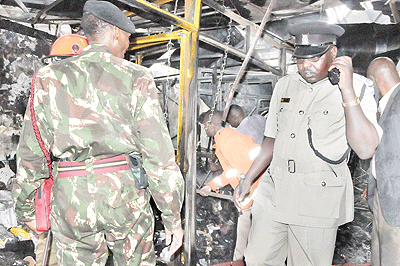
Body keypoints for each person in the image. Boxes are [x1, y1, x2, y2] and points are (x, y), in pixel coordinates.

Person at [12, 1, 184, 265]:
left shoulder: (47, 78)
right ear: (115, 32)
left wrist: (25, 207)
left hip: (71, 199)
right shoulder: (137, 76)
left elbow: (31, 152)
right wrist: (172, 217)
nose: (128, 45)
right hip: (125, 198)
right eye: (127, 38)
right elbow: (158, 157)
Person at [233, 21, 380, 266]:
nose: (306, 66)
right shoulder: (285, 85)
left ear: (333, 53)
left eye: (314, 58)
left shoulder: (359, 88)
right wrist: (248, 179)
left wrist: (346, 91)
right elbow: (272, 139)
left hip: (316, 197)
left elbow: (365, 148)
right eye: (300, 59)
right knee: (257, 259)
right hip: (275, 191)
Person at [34, 33, 89, 266]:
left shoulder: (47, 93)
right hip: (90, 190)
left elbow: (35, 147)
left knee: (52, 249)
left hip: (63, 184)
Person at [199, 109, 262, 261]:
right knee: (245, 238)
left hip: (256, 193)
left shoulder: (228, 141)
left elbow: (248, 171)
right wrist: (211, 185)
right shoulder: (224, 139)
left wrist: (245, 199)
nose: (204, 130)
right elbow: (232, 172)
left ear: (211, 125)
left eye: (204, 126)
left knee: (247, 240)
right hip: (253, 193)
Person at [367, 57, 400, 265]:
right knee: (380, 252)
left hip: (396, 197)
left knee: (394, 255)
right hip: (384, 193)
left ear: (373, 80)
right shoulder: (387, 104)